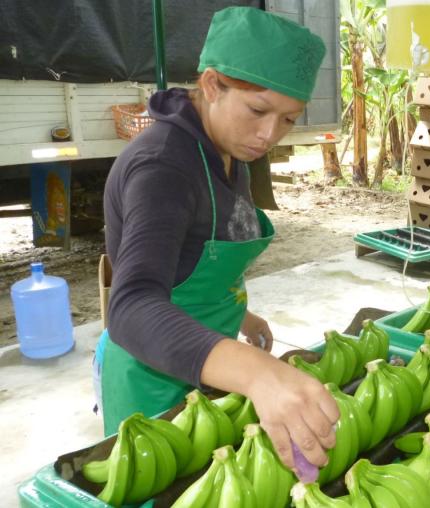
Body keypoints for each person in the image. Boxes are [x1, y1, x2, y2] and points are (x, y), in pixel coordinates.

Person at [94, 7, 338, 473]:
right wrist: (259, 374)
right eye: (258, 110)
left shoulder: (228, 150)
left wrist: (238, 312)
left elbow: (189, 256)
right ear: (210, 85)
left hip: (209, 352)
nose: (269, 134)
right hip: (151, 371)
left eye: (288, 118)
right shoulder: (163, 167)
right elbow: (131, 305)